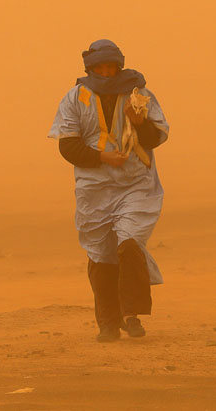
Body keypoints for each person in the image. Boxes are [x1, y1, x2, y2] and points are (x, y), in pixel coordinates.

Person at [47, 39, 169, 342]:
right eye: (99, 67)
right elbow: (68, 145)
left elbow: (156, 137)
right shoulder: (74, 98)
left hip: (136, 183)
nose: (106, 72)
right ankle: (108, 324)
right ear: (89, 68)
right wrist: (103, 158)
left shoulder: (139, 95)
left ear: (119, 65)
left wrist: (139, 123)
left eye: (111, 66)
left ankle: (132, 314)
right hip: (94, 188)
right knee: (101, 254)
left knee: (129, 243)